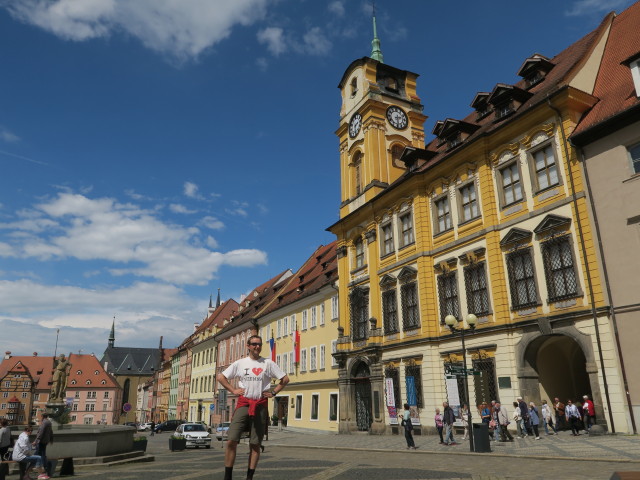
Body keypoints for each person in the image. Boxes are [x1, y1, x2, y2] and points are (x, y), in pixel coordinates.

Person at [217, 335, 289, 480]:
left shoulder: (268, 363)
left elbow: (285, 379)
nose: (257, 347)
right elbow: (221, 377)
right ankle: (227, 476)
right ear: (248, 346)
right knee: (231, 440)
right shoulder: (240, 363)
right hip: (244, 403)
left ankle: (249, 477)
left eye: (259, 344)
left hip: (260, 405)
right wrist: (233, 390)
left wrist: (274, 392)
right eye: (254, 344)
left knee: (255, 443)